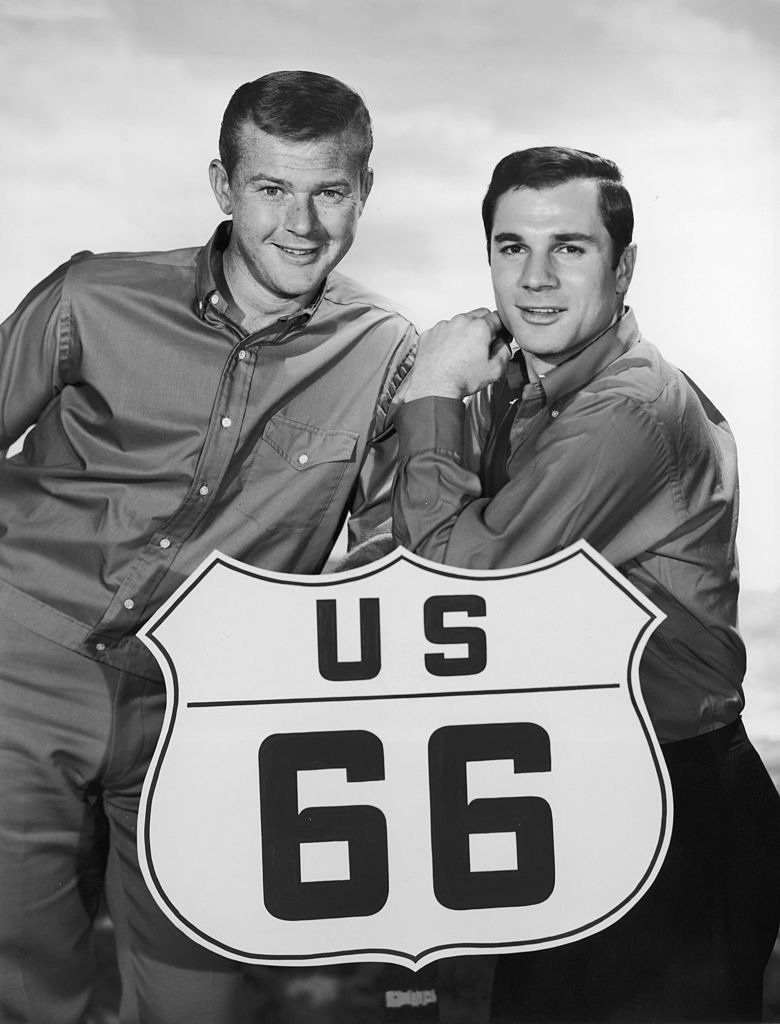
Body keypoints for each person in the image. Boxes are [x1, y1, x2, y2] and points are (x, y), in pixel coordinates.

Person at [0, 70, 416, 1024]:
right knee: (22, 987)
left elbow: (397, 556)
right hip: (27, 670)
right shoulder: (91, 296)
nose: (302, 224)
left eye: (330, 192)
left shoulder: (389, 349)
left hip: (206, 712)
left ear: (363, 191)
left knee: (198, 1001)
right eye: (272, 189)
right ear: (225, 188)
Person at [390, 146, 780, 1021]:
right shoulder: (521, 393)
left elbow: (460, 586)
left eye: (569, 248)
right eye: (510, 247)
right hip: (578, 801)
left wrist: (432, 390)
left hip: (676, 807)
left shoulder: (627, 409)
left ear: (623, 265)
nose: (534, 278)